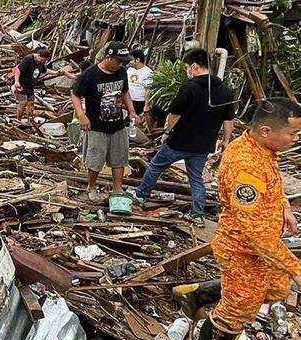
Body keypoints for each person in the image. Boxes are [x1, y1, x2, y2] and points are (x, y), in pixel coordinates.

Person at [171, 98, 301, 340]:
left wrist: (285, 207)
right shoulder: (245, 167)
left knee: (272, 290)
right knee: (241, 306)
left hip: (257, 246)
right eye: (293, 134)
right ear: (265, 130)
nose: (296, 139)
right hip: (243, 247)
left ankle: (198, 295)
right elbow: (256, 234)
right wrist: (296, 268)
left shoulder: (261, 149)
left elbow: (273, 186)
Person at [131, 48, 235, 226]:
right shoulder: (224, 91)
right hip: (203, 145)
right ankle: (197, 214)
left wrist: (166, 133)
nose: (188, 70)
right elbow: (228, 120)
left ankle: (140, 195)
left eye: (188, 67)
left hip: (179, 142)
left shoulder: (190, 88)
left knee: (156, 166)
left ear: (194, 66)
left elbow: (174, 115)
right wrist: (226, 140)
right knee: (196, 178)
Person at [72, 41, 139, 203]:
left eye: (123, 61)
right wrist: (81, 115)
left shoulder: (122, 72)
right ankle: (92, 186)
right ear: (108, 57)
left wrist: (131, 111)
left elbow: (125, 92)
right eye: (118, 60)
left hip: (117, 124)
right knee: (95, 159)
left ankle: (117, 188)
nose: (120, 64)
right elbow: (75, 95)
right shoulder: (89, 75)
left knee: (119, 158)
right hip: (96, 125)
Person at [12, 46, 52, 129]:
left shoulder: (41, 63)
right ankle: (18, 120)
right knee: (23, 102)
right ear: (38, 55)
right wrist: (16, 81)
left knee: (31, 104)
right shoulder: (28, 59)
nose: (42, 62)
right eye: (42, 60)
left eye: (44, 61)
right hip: (21, 84)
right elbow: (18, 70)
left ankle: (30, 121)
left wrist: (56, 73)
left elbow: (45, 70)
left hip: (30, 86)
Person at [126, 49, 153, 117]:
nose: (129, 62)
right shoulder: (129, 70)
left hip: (139, 102)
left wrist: (146, 105)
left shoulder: (148, 72)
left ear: (137, 60)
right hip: (129, 100)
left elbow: (149, 90)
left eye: (131, 60)